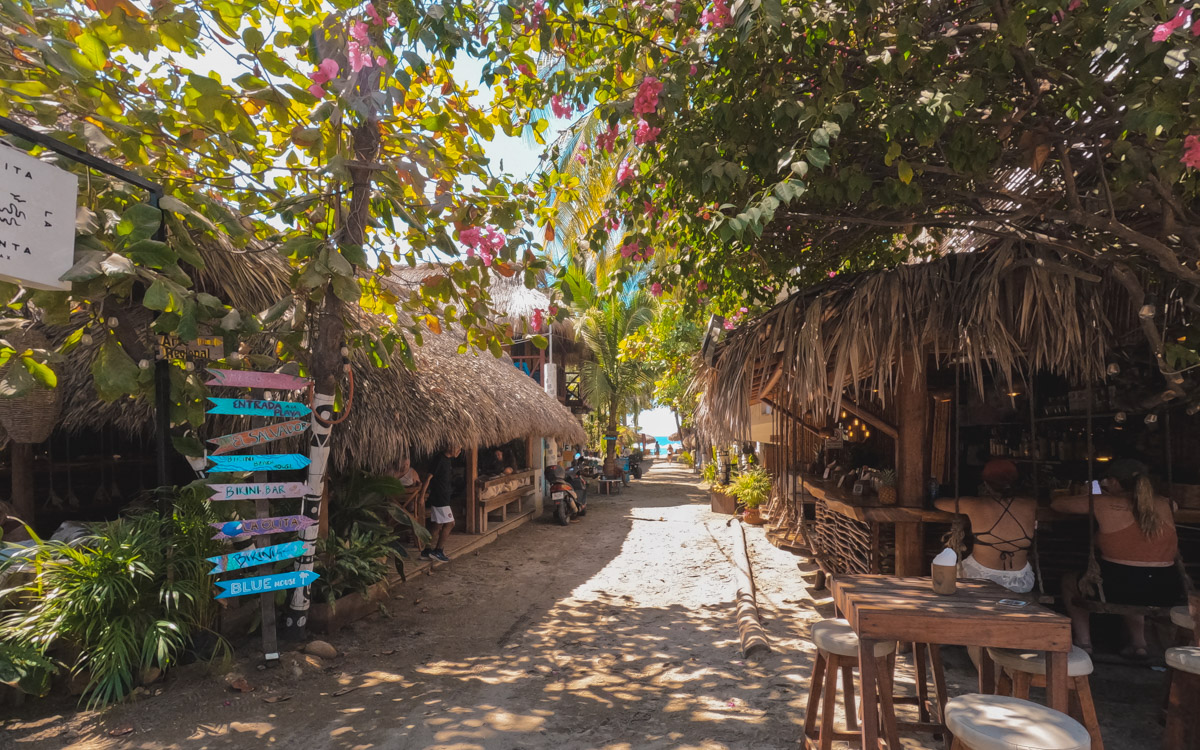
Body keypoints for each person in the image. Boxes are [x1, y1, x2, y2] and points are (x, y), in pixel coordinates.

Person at [1052, 459, 1180, 658]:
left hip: (1117, 588)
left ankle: (1084, 642)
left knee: (1070, 581)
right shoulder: (1165, 504)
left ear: (1113, 482)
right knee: (1138, 581)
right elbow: (1169, 505)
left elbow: (1057, 504)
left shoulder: (1102, 503)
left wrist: (1093, 496)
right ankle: (1139, 644)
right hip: (1166, 589)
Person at [935, 459, 1038, 593]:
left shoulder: (974, 504)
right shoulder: (1031, 505)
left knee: (947, 574)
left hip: (978, 577)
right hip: (1020, 580)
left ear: (986, 484)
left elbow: (939, 503)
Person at [422, 444, 461, 563]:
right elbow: (428, 477)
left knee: (437, 525)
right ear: (450, 446)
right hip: (440, 498)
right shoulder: (439, 459)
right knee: (450, 523)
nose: (459, 450)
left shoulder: (447, 460)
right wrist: (422, 496)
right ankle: (438, 551)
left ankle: (426, 551)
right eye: (458, 447)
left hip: (443, 497)